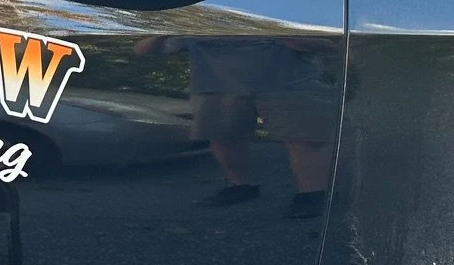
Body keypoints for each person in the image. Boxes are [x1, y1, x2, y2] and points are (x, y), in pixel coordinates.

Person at [140, 36, 335, 218]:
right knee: (223, 138)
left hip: (289, 85)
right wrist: (165, 33)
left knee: (304, 140)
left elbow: (331, 44)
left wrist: (294, 39)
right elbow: (143, 49)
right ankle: (241, 186)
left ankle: (313, 194)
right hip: (215, 87)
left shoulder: (278, 8)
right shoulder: (202, 16)